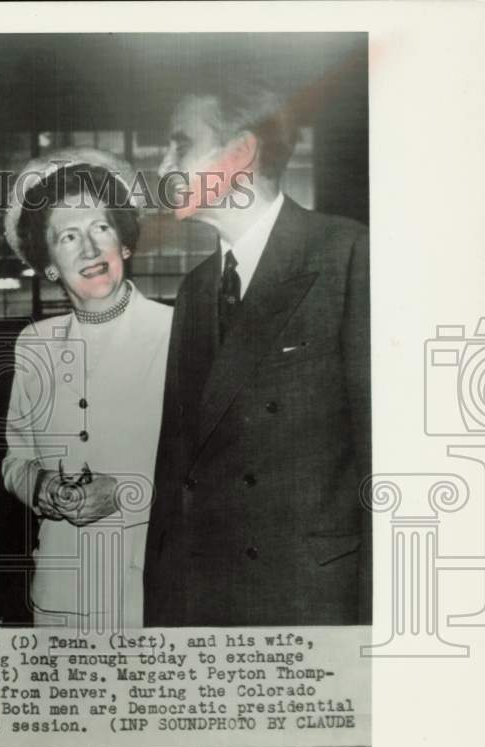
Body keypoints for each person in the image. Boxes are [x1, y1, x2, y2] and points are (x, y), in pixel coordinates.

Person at [143, 73, 371, 626]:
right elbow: (175, 474)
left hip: (310, 603)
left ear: (241, 151)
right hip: (204, 606)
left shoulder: (348, 255)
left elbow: (385, 471)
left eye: (181, 144)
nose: (163, 168)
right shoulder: (197, 289)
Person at [2, 149, 173, 632]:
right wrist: (42, 487)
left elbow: (209, 474)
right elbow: (16, 460)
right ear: (49, 263)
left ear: (125, 242)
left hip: (152, 592)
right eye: (68, 237)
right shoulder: (34, 344)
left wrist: (125, 493)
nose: (90, 250)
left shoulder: (178, 333)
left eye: (101, 228)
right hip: (61, 597)